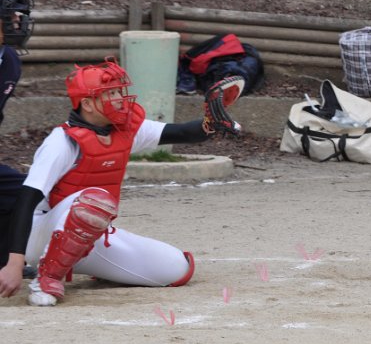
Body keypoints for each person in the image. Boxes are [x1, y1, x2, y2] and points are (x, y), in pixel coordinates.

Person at [0, 57, 241, 306]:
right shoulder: (61, 141)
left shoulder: (124, 130)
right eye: (110, 93)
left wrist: (210, 122)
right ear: (87, 104)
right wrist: (15, 263)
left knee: (177, 269)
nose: (119, 99)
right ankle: (45, 280)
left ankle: (90, 267)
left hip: (87, 234)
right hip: (41, 236)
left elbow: (181, 133)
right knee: (94, 200)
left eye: (118, 92)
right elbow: (24, 203)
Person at [0, 0, 34, 278]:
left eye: (19, 15)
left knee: (24, 191)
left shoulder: (9, 61)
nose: (17, 22)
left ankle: (4, 262)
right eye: (10, 16)